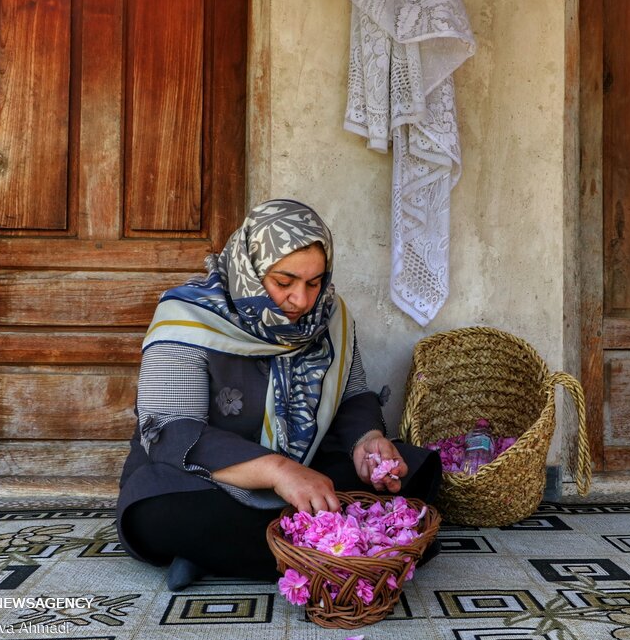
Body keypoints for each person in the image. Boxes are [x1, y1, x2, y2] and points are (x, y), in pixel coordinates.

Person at [115, 199, 441, 590]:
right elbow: (172, 430)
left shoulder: (330, 316)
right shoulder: (188, 317)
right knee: (157, 513)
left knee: (418, 471)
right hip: (210, 481)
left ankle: (239, 554)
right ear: (249, 269)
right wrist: (279, 471)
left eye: (314, 282)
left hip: (306, 466)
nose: (301, 301)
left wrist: (368, 441)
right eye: (283, 282)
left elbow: (352, 396)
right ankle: (348, 550)